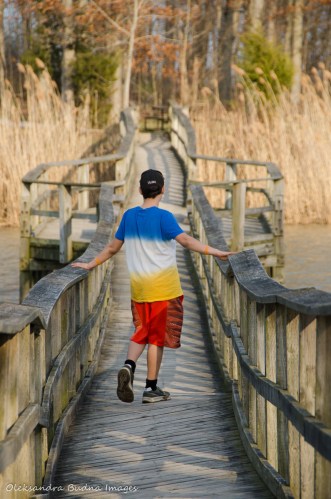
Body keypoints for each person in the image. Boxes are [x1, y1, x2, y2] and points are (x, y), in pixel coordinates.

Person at [72, 169, 235, 404]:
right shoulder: (164, 217)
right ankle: (151, 389)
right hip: (164, 290)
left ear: (139, 190)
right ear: (163, 190)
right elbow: (186, 241)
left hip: (139, 289)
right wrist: (214, 251)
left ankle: (129, 366)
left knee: (141, 332)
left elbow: (111, 249)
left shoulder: (128, 216)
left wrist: (90, 264)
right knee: (156, 340)